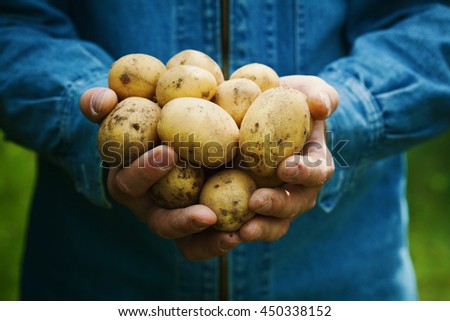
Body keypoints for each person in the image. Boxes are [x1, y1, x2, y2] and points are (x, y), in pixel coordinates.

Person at [0, 0, 449, 300]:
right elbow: (14, 21)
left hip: (344, 275)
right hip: (100, 275)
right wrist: (87, 118)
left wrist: (343, 112)